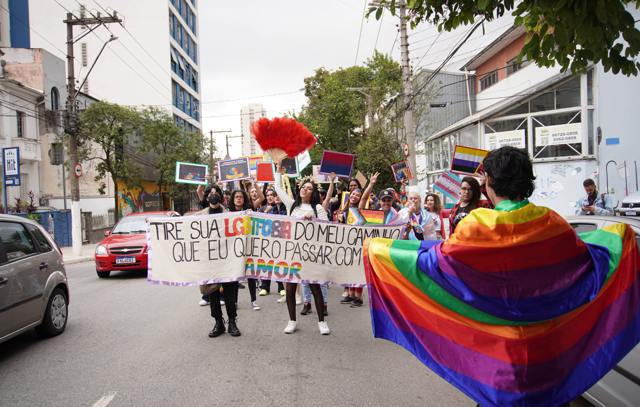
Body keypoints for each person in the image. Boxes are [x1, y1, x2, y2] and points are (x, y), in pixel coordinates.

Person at [365, 146, 640, 407]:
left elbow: (431, 264)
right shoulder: (552, 224)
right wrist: (620, 237)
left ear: (489, 182)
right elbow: (592, 261)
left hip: (498, 368)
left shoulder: (477, 226)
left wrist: (377, 248)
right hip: (549, 363)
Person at [274, 168, 330, 335]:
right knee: (290, 289)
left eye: (310, 188)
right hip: (293, 253)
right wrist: (278, 170)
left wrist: (312, 219)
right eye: (304, 187)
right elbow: (277, 188)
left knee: (315, 288)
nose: (306, 189)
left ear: (312, 193)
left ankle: (322, 321)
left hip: (310, 254)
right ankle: (292, 320)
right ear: (299, 189)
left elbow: (327, 227)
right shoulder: (292, 205)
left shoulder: (318, 208)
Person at [196, 186, 241, 338]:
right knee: (212, 295)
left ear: (221, 197)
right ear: (207, 197)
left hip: (228, 262)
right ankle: (218, 323)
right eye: (211, 193)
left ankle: (232, 322)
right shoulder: (200, 216)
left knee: (230, 294)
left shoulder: (231, 215)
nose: (213, 195)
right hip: (209, 264)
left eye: (216, 193)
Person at [228, 189, 261, 311]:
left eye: (241, 197)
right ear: (233, 199)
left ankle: (253, 300)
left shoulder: (249, 210)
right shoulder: (227, 212)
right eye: (236, 196)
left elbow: (261, 197)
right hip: (234, 249)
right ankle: (234, 302)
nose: (238, 199)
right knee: (236, 276)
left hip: (248, 247)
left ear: (244, 199)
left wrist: (254, 183)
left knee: (250, 275)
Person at [258, 188, 287, 298]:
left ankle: (281, 287)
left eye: (273, 195)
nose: (272, 197)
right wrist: (266, 212)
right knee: (266, 263)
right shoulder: (265, 209)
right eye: (269, 195)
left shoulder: (285, 208)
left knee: (280, 263)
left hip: (281, 241)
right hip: (268, 241)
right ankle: (265, 287)